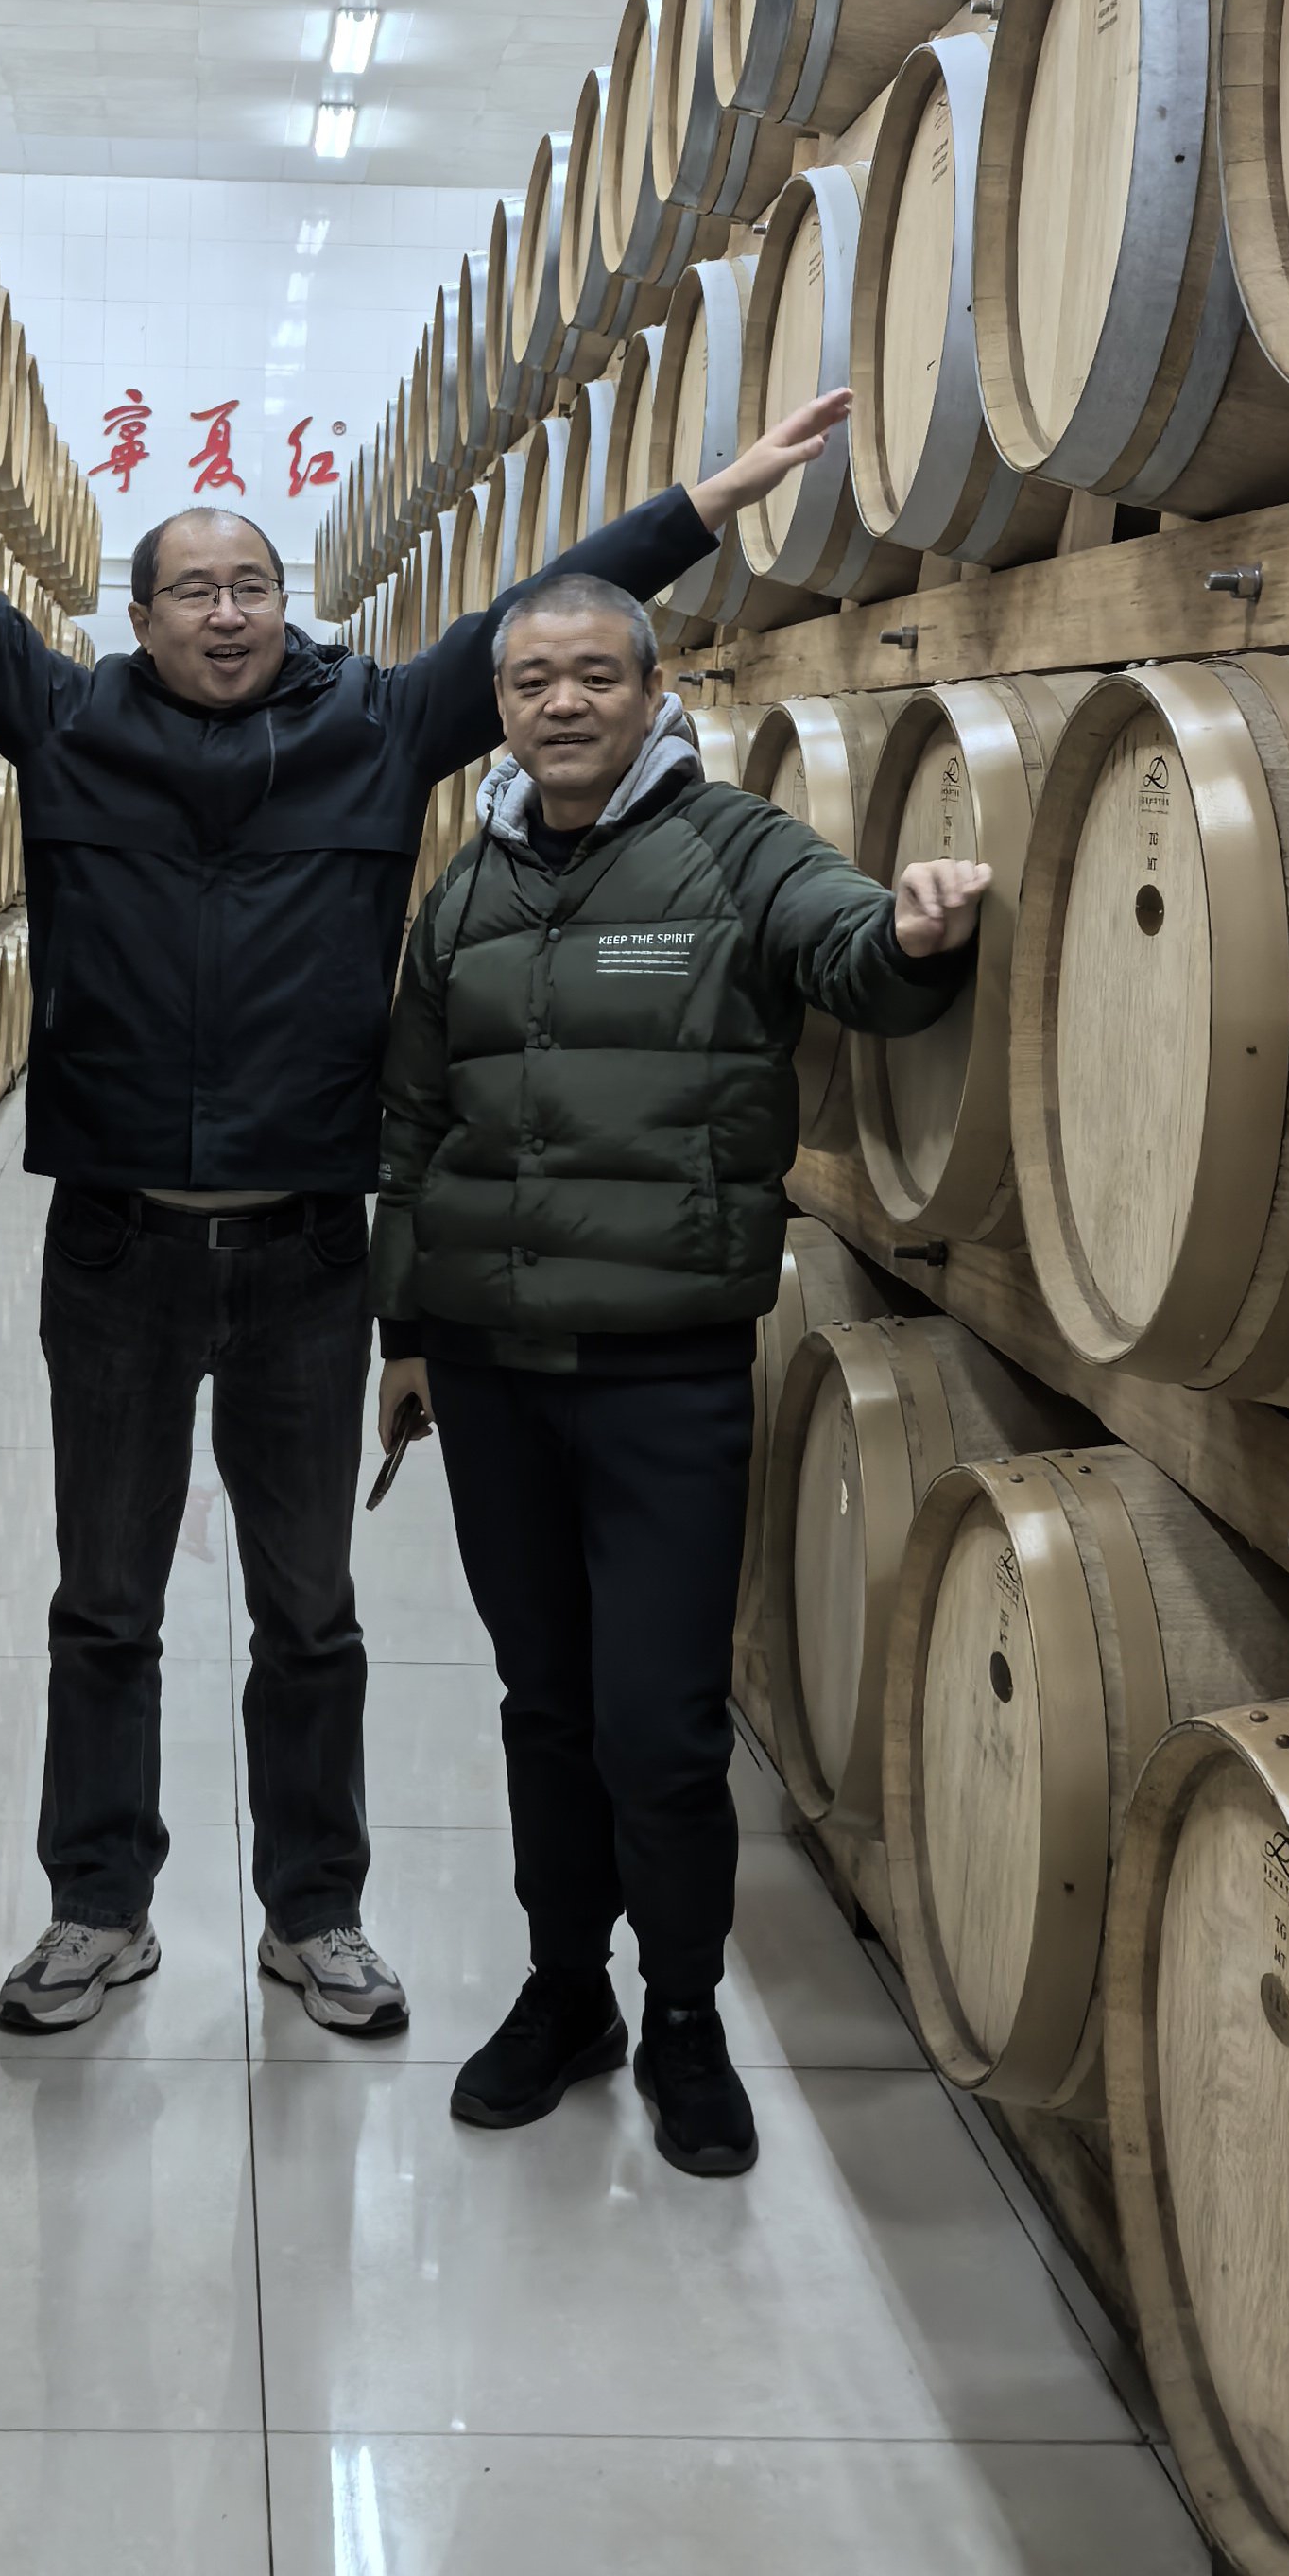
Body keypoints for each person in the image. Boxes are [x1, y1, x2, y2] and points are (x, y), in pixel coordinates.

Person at [0, 314, 851, 2046]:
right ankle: (98, 1909)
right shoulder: (66, 721)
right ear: (137, 617)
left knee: (310, 1612)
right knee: (103, 1608)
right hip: (115, 1250)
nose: (228, 611)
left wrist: (707, 504)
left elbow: (541, 621)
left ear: (288, 605)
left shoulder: (379, 723)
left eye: (255, 585)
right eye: (193, 588)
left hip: (304, 1254)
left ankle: (318, 1915)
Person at [370, 573, 985, 2178]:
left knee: (660, 1722)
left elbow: (847, 950)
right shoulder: (468, 883)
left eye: (594, 675)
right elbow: (415, 1122)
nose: (561, 703)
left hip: (664, 1368)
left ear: (652, 694)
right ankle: (566, 1988)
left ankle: (687, 2013)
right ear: (499, 710)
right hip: (491, 1367)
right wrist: (404, 1333)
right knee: (544, 1706)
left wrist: (916, 933)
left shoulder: (734, 846)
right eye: (531, 682)